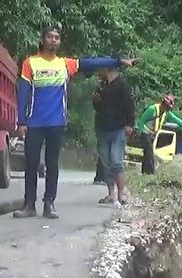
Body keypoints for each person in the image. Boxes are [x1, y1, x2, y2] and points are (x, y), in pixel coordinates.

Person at [14, 24, 138, 218]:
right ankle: (29, 204)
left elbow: (92, 62)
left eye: (57, 37)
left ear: (59, 42)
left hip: (56, 122)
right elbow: (22, 94)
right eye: (50, 36)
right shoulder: (30, 63)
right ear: (43, 39)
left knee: (52, 164)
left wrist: (118, 61)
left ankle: (49, 204)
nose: (53, 40)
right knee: (31, 164)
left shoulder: (65, 64)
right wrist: (21, 122)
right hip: (34, 122)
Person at [94, 66, 135, 208]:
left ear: (107, 69)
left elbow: (129, 106)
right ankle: (111, 193)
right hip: (102, 128)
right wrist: (96, 102)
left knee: (116, 161)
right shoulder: (101, 86)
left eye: (100, 70)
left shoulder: (121, 85)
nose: (98, 73)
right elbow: (98, 108)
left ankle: (121, 194)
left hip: (118, 128)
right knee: (106, 163)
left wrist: (130, 124)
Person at [135, 95, 182, 174]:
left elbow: (176, 120)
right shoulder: (152, 109)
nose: (168, 109)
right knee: (149, 152)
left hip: (152, 134)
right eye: (167, 107)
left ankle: (144, 172)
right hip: (145, 133)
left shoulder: (166, 113)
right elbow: (141, 121)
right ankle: (151, 172)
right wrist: (142, 131)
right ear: (163, 104)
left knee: (147, 153)